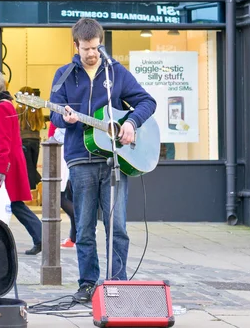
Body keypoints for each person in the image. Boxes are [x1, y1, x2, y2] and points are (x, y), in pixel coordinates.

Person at [49, 18, 157, 302]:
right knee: (84, 227)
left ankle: (117, 283)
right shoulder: (63, 75)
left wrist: (131, 123)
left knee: (117, 226)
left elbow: (147, 101)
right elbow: (54, 113)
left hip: (114, 162)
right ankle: (87, 284)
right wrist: (65, 117)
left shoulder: (116, 73)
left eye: (96, 48)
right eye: (86, 48)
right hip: (80, 160)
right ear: (76, 46)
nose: (92, 53)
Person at [0, 69, 42, 255]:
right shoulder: (0, 106)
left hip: (0, 166)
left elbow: (4, 141)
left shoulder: (1, 107)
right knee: (15, 204)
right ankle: (42, 237)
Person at [48, 122, 76, 248]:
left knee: (59, 195)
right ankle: (75, 237)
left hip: (62, 150)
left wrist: (53, 138)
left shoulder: (64, 105)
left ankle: (84, 225)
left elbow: (62, 131)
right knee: (67, 195)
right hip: (62, 149)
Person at [17, 86, 44, 190]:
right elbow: (40, 123)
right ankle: (39, 184)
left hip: (23, 140)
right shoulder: (36, 107)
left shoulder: (19, 108)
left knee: (28, 169)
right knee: (32, 167)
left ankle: (34, 189)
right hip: (35, 141)